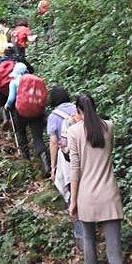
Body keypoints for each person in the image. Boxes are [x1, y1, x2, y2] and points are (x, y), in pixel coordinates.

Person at [68, 94, 124, 264]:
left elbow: (74, 169)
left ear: (78, 111)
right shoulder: (109, 126)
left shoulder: (73, 132)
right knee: (114, 252)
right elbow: (109, 152)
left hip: (87, 197)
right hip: (109, 194)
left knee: (89, 241)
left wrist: (73, 200)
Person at [47, 85, 83, 248]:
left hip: (68, 158)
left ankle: (80, 233)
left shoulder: (53, 116)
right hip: (85, 154)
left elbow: (54, 143)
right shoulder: (77, 108)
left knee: (71, 191)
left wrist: (53, 167)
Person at [4, 62, 50, 175]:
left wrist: (6, 106)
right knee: (37, 137)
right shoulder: (36, 80)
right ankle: (46, 165)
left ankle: (27, 162)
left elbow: (11, 100)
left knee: (21, 133)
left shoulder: (14, 82)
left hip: (21, 113)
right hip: (37, 113)